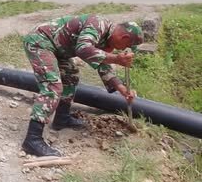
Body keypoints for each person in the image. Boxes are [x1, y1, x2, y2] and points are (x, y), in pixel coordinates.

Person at [21, 15, 144, 157]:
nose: (124, 50)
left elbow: (103, 64)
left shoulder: (107, 39)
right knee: (53, 86)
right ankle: (32, 139)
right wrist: (116, 59)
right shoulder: (98, 25)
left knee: (70, 75)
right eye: (127, 46)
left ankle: (62, 118)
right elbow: (83, 49)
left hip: (57, 49)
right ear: (124, 38)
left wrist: (121, 89)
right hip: (40, 42)